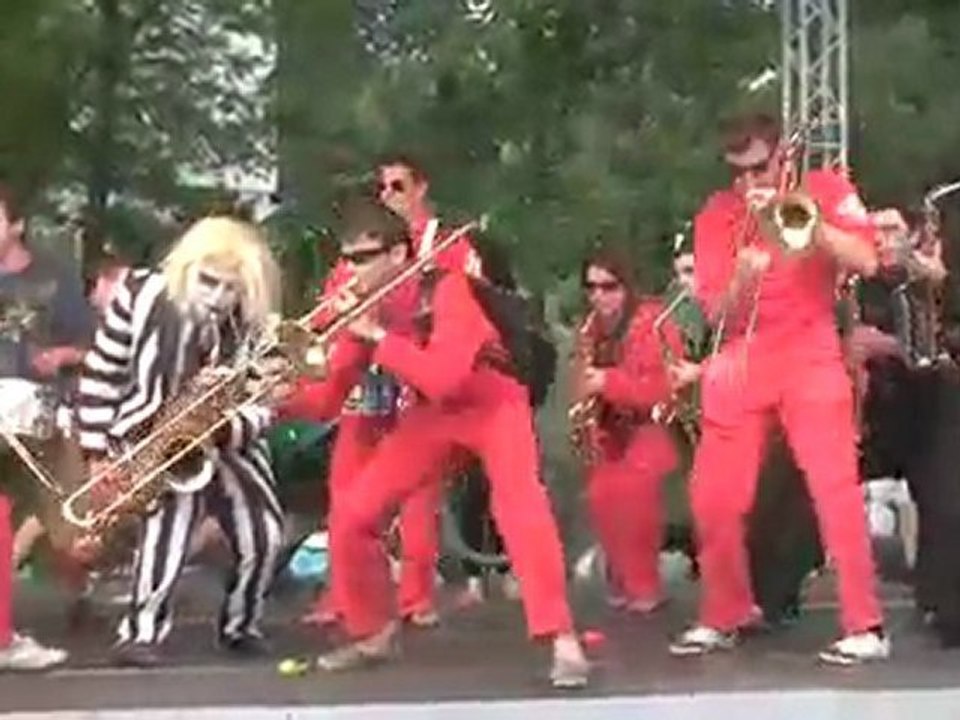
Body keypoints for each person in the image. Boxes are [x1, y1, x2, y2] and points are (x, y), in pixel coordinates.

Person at [299, 201, 588, 688]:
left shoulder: (447, 289)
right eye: (347, 258)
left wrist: (377, 336)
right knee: (353, 513)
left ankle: (563, 640)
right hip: (434, 415)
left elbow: (444, 376)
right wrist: (271, 397)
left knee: (521, 507)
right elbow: (328, 397)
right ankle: (373, 632)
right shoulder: (366, 307)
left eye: (364, 257)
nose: (353, 269)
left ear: (398, 254)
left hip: (493, 401)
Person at [667, 112, 887, 665]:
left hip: (810, 347)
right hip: (744, 354)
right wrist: (742, 278)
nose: (748, 183)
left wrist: (808, 222)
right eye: (738, 172)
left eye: (759, 168)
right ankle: (725, 612)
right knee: (714, 495)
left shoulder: (825, 188)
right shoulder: (716, 215)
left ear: (782, 156)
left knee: (835, 489)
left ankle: (865, 624)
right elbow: (715, 313)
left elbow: (868, 260)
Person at [74, 215, 285, 667]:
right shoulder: (140, 296)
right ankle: (141, 632)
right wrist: (97, 452)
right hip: (156, 436)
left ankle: (242, 624)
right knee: (164, 537)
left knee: (263, 535)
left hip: (230, 441)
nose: (218, 297)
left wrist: (222, 427)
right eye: (209, 281)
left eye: (231, 287)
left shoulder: (260, 324)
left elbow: (266, 404)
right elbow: (102, 373)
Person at [0, 181, 94, 670]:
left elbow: (90, 344)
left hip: (47, 412)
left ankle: (79, 589)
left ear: (16, 225)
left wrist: (61, 356)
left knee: (70, 524)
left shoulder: (56, 278)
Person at [573, 246, 683, 613]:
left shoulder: (653, 322)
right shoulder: (592, 327)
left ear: (627, 286)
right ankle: (624, 584)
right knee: (603, 504)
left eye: (609, 287)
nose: (598, 296)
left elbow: (664, 387)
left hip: (645, 430)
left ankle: (645, 590)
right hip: (609, 433)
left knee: (637, 515)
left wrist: (608, 382)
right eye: (591, 287)